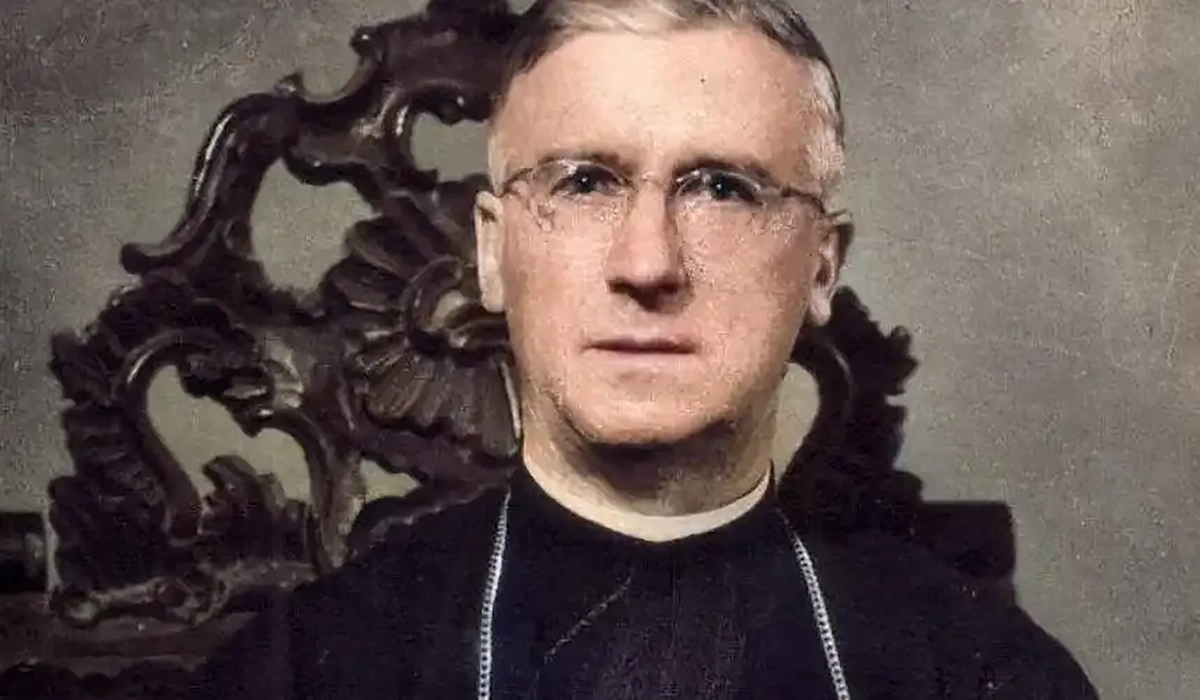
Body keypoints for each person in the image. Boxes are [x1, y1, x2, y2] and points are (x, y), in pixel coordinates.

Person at [190, 0, 1099, 697]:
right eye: (585, 183)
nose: (647, 264)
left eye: (723, 189)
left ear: (821, 267)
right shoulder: (298, 672)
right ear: (493, 254)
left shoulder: (985, 673)